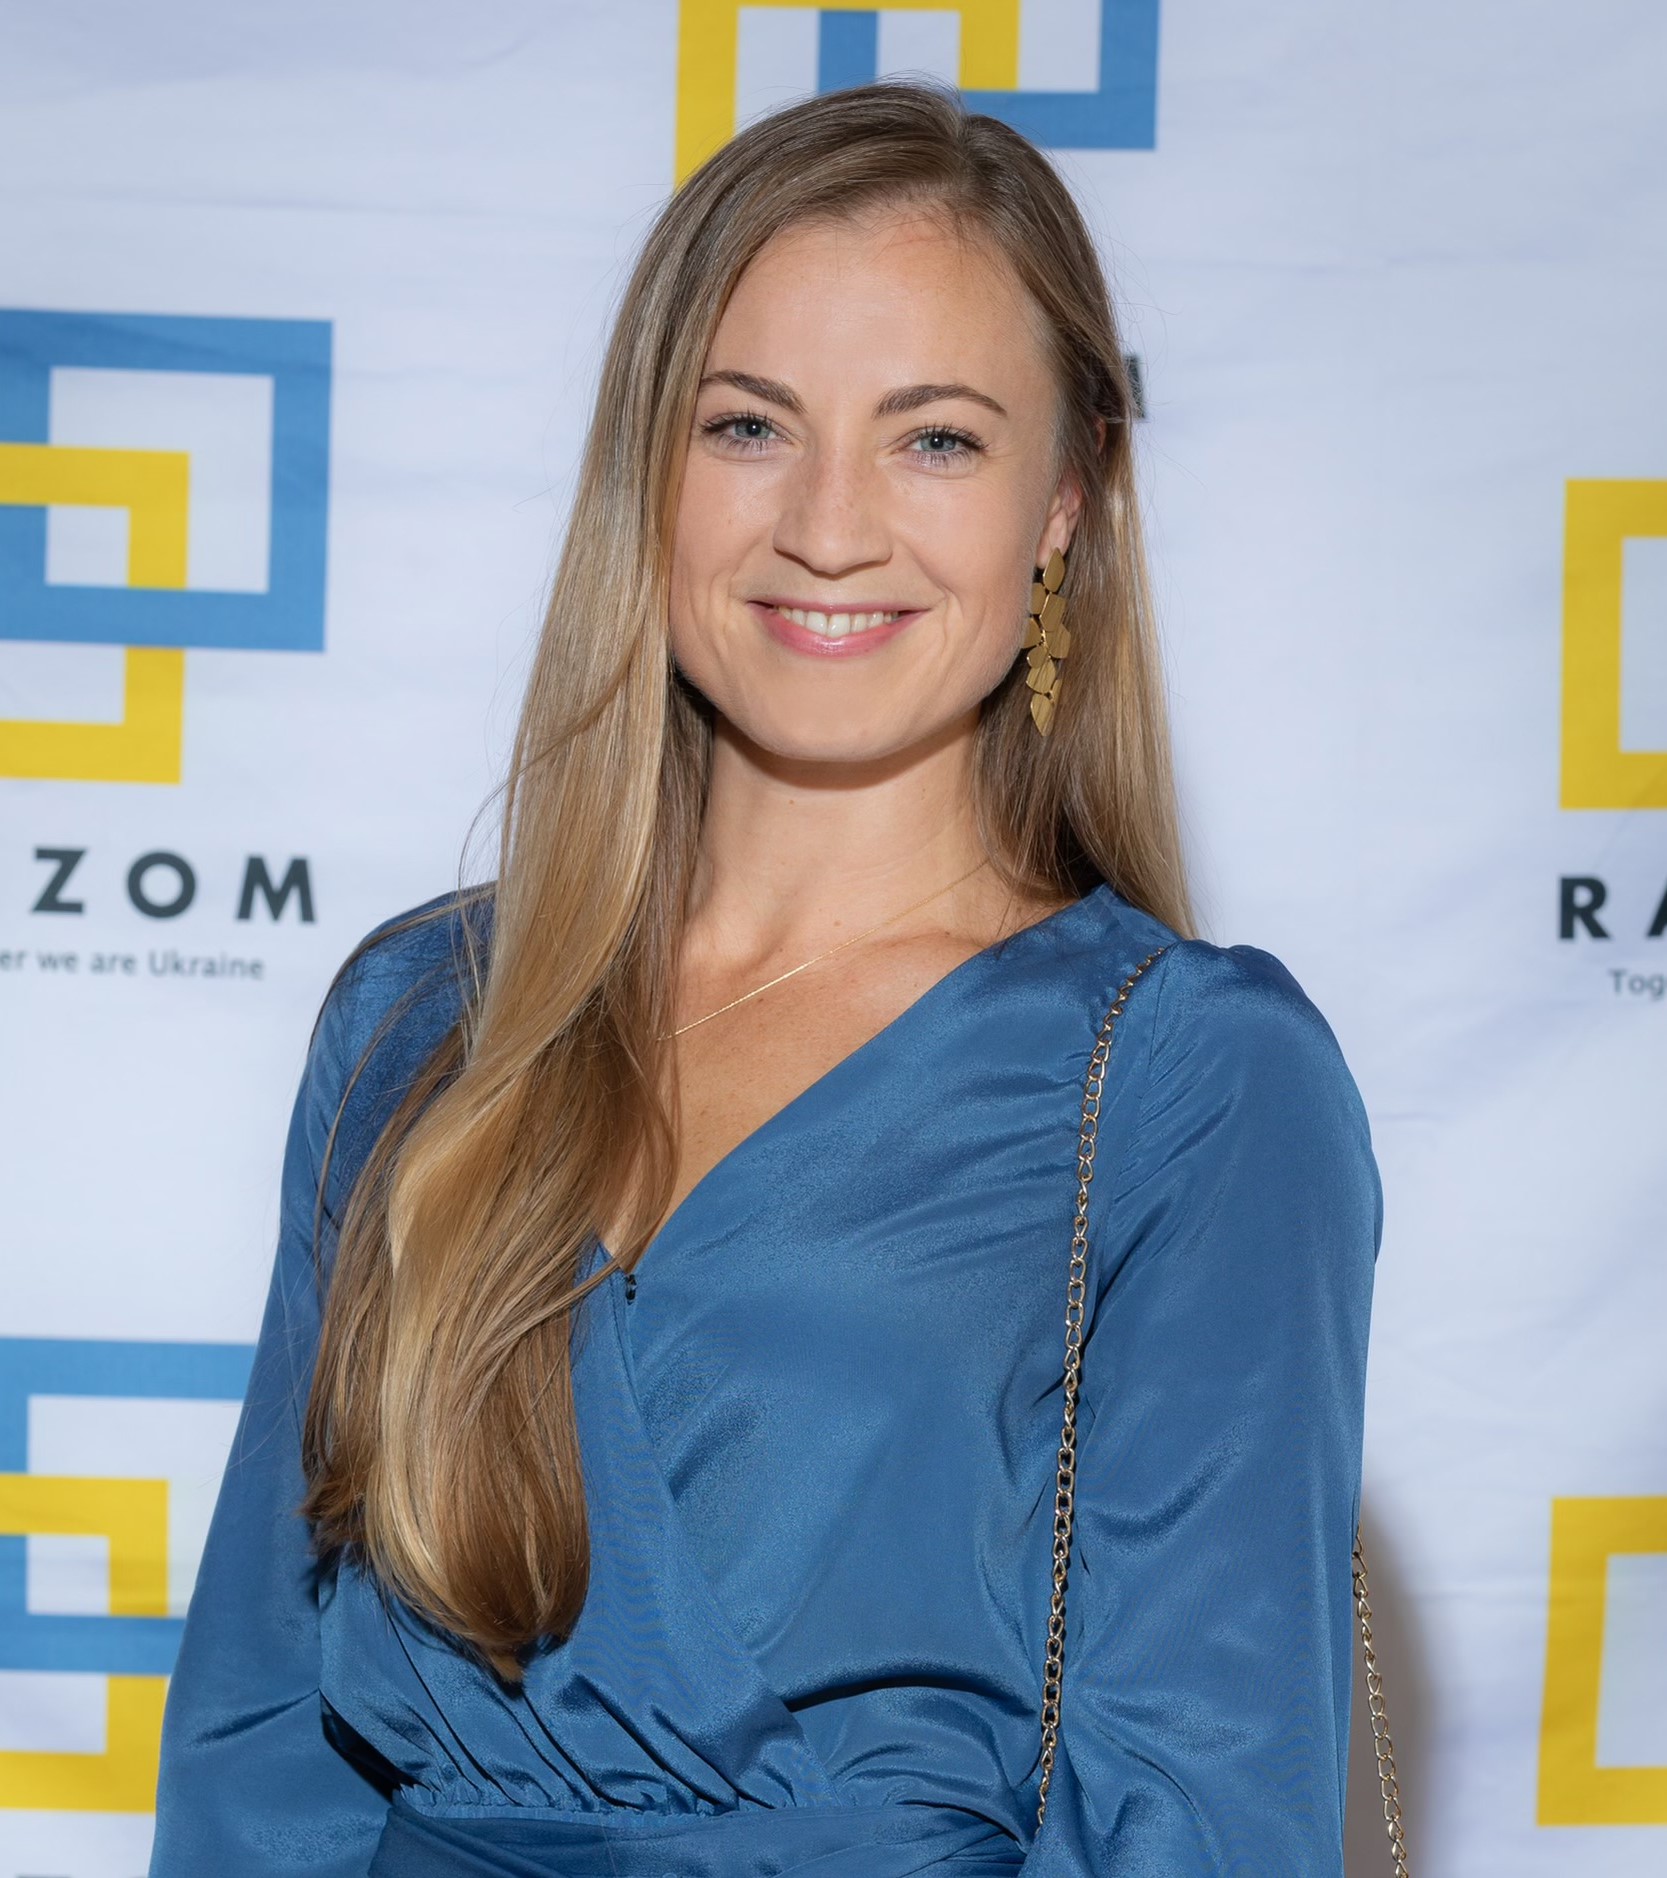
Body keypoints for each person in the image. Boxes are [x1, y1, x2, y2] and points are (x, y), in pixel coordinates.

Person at [149, 78, 1380, 1878]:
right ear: (647, 464)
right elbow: (260, 1742)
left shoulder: (1191, 1078)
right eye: (748, 425)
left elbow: (1200, 1821)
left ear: (1065, 501)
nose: (827, 524)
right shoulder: (417, 1021)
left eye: (935, 439)